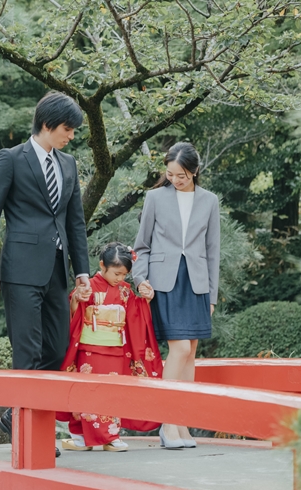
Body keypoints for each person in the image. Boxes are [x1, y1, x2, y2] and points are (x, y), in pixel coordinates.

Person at [0, 91, 91, 456]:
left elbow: (75, 223)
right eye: (67, 129)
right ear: (46, 124)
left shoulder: (68, 164)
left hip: (56, 271)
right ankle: (30, 433)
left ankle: (14, 414)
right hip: (20, 270)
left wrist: (82, 272)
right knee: (26, 352)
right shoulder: (10, 160)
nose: (71, 136)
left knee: (56, 349)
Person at [132, 142, 220, 449]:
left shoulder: (209, 201)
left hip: (197, 283)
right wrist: (140, 279)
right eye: (170, 174)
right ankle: (167, 423)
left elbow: (213, 252)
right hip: (163, 282)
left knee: (191, 352)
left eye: (181, 175)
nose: (174, 179)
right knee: (179, 348)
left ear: (194, 171)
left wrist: (212, 296)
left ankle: (181, 423)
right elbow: (141, 246)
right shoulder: (155, 198)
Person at [56, 242, 163, 452]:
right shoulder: (89, 286)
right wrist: (77, 299)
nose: (120, 279)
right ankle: (81, 436)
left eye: (124, 275)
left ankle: (110, 435)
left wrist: (146, 299)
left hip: (116, 349)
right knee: (88, 391)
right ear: (102, 265)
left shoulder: (125, 291)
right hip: (90, 349)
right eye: (116, 273)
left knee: (113, 391)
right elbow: (74, 312)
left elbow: (134, 315)